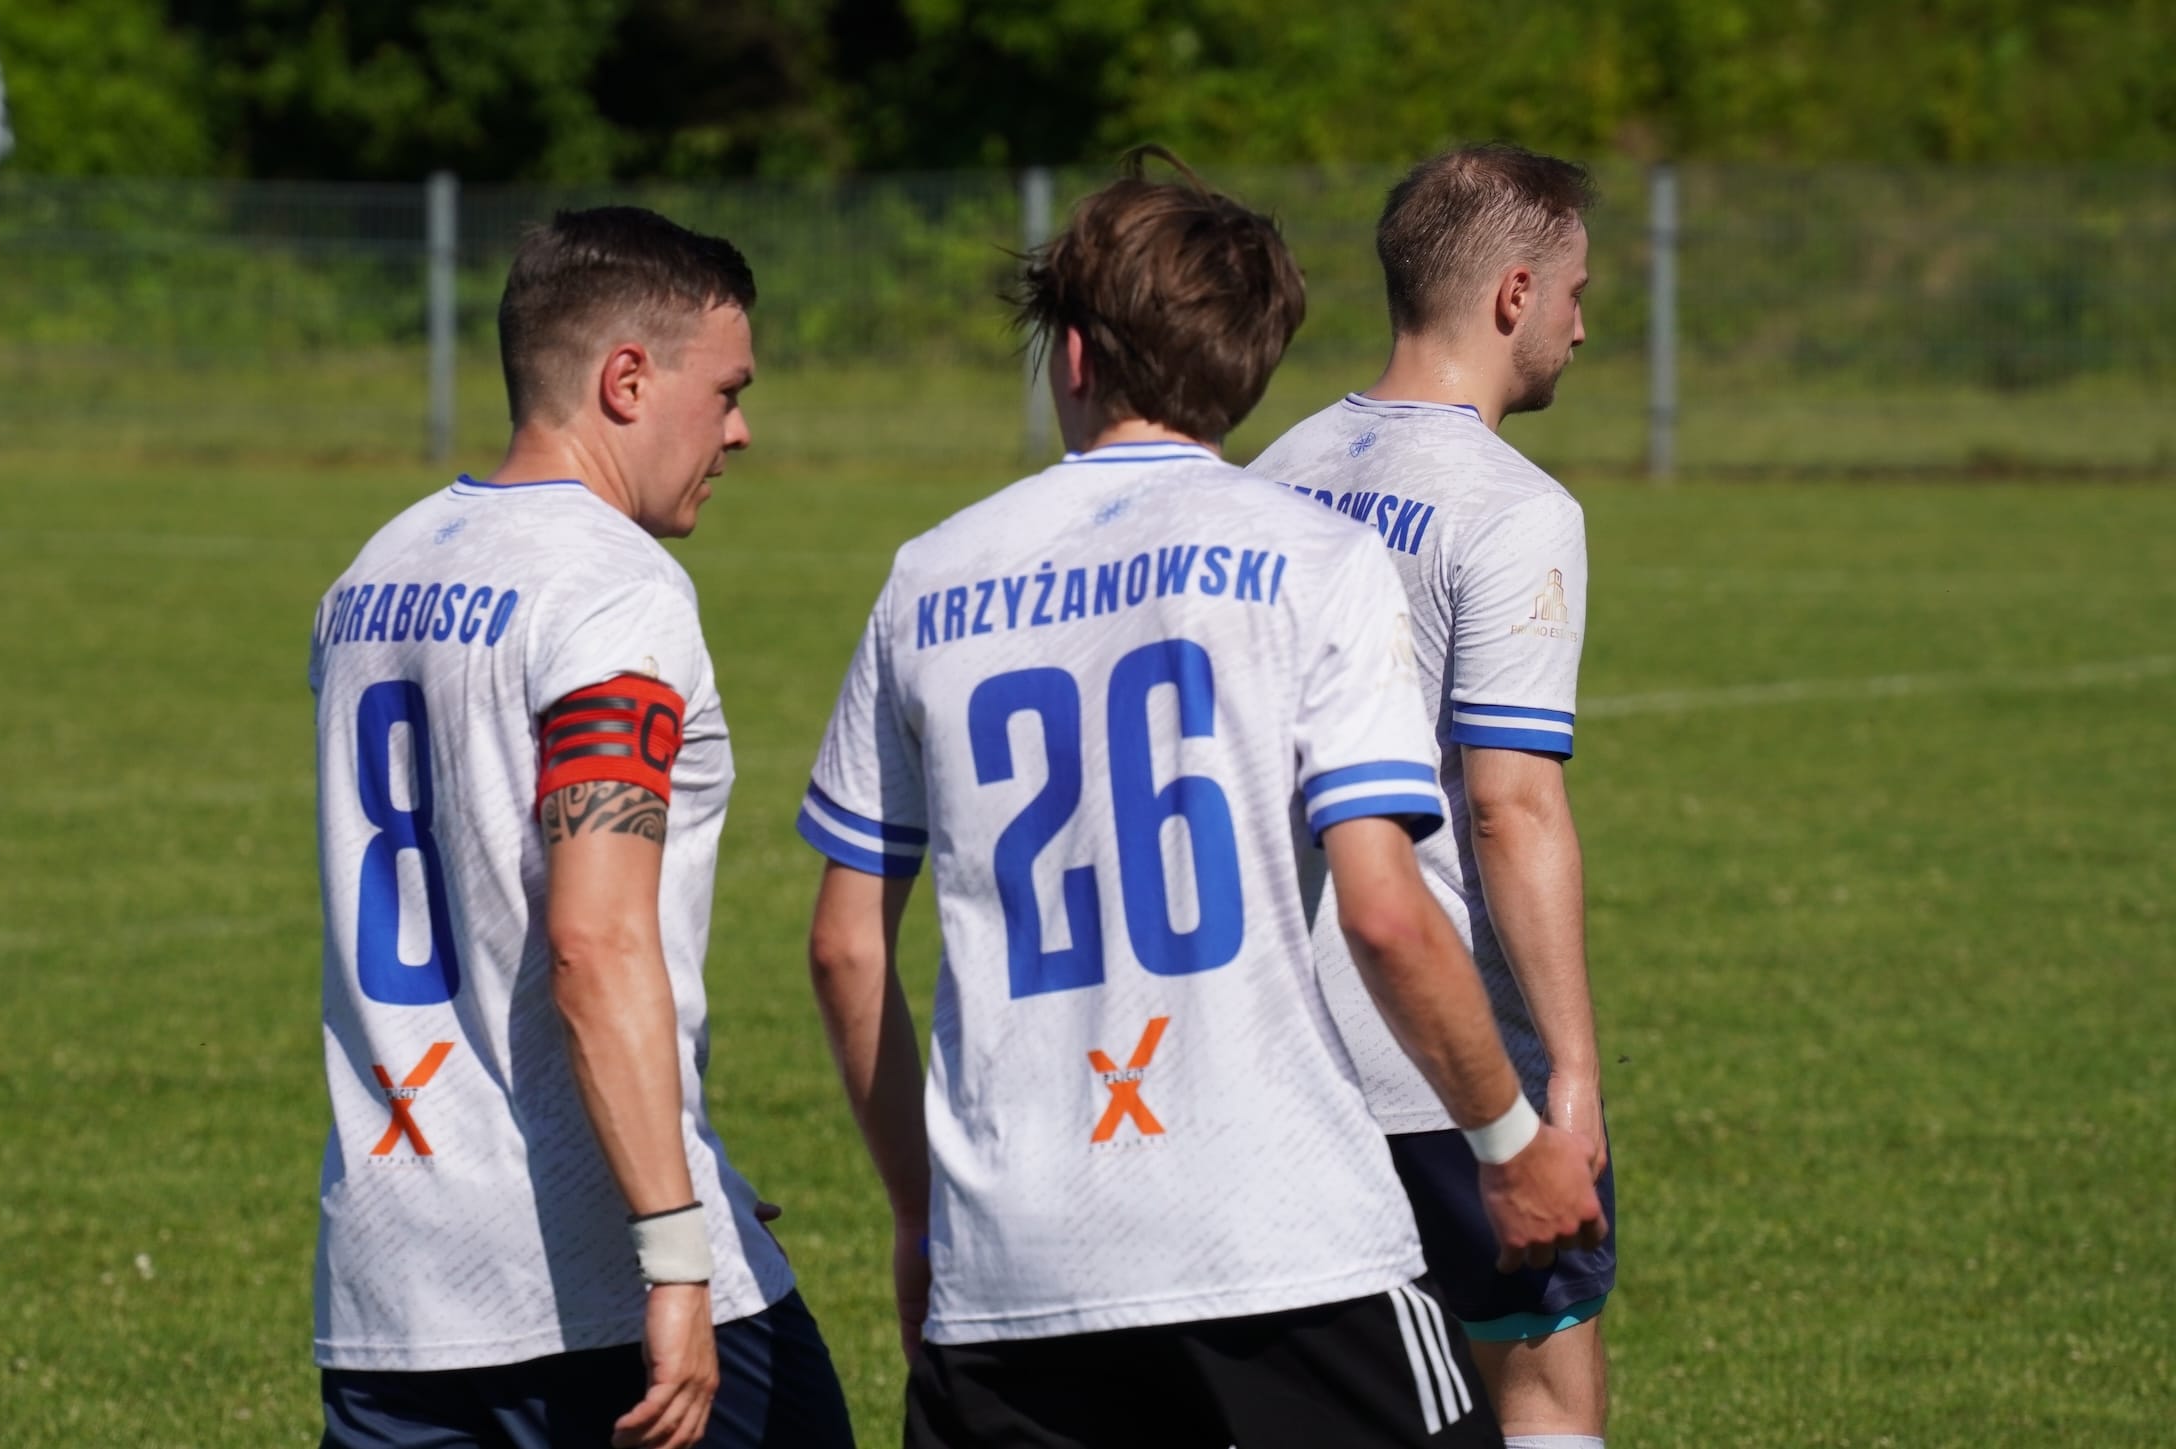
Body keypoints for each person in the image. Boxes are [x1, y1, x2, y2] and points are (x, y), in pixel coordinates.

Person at [797, 149, 1604, 1449]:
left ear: (1070, 357)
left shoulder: (927, 579)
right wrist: (1511, 1137)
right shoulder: (1312, 559)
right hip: (1279, 1235)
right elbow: (1388, 916)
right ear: (1253, 358)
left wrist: (916, 1216)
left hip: (1012, 1260)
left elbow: (845, 948)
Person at [305, 206, 854, 1449]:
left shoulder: (370, 574)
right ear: (624, 380)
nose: (738, 430)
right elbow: (593, 942)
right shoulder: (610, 587)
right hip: (586, 1276)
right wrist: (674, 1248)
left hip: (391, 1281)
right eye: (724, 391)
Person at [1249, 144, 1614, 1449]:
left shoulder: (1274, 466)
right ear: (1513, 294)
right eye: (1575, 289)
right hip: (1441, 1056)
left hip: (1277, 1044)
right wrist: (1564, 1075)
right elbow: (1510, 809)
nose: (1586, 321)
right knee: (1544, 1381)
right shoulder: (1512, 509)